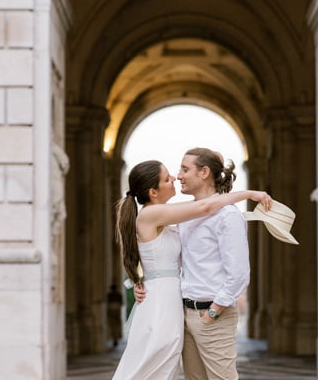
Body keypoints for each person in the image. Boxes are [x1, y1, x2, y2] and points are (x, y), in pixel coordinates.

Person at [112, 157, 272, 380]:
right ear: (153, 192)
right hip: (161, 304)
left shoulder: (166, 217)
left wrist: (142, 281)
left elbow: (167, 257)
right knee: (150, 363)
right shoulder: (151, 214)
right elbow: (205, 207)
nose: (175, 179)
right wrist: (249, 194)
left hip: (171, 301)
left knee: (164, 364)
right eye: (167, 179)